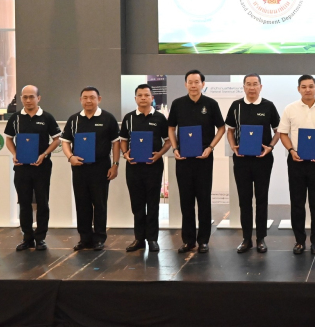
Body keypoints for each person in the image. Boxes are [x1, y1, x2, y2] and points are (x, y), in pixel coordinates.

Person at [167, 70, 226, 254]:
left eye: (197, 82)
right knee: (186, 201)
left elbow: (221, 128)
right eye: (190, 82)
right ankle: (188, 240)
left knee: (204, 200)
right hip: (183, 159)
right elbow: (171, 128)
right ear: (185, 84)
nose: (193, 85)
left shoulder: (211, 104)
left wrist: (210, 147)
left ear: (203, 84)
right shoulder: (177, 104)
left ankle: (203, 241)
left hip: (204, 159)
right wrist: (175, 149)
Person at [278, 75, 315, 255]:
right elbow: (283, 133)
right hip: (296, 160)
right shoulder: (290, 109)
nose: (307, 90)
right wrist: (291, 150)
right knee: (297, 202)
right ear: (299, 89)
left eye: (311, 86)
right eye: (304, 87)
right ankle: (299, 241)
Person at [225, 74, 280, 254]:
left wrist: (270, 147)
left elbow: (279, 131)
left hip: (263, 160)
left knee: (262, 198)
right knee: (244, 199)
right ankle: (246, 238)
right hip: (241, 160)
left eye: (255, 84)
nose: (251, 87)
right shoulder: (236, 106)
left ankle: (261, 238)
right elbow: (230, 131)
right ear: (244, 87)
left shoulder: (268, 106)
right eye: (248, 84)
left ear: (260, 87)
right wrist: (233, 146)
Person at [61, 87, 120, 251]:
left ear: (99, 99)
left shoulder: (108, 118)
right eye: (85, 97)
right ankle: (84, 238)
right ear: (80, 100)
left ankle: (99, 238)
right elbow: (65, 141)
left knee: (99, 204)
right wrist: (70, 157)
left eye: (92, 97)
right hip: (79, 168)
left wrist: (115, 164)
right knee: (82, 203)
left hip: (101, 167)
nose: (88, 101)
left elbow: (116, 143)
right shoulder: (74, 120)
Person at [4, 85, 61, 251]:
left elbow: (57, 139)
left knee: (43, 202)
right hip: (22, 167)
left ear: (38, 98)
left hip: (42, 167)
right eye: (25, 97)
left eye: (31, 97)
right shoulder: (15, 118)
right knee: (24, 203)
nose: (28, 100)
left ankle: (40, 238)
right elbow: (8, 139)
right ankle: (27, 238)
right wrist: (14, 154)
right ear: (21, 99)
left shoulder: (47, 117)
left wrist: (44, 154)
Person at [119, 84, 171, 253]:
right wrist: (125, 154)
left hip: (153, 167)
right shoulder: (129, 118)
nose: (143, 98)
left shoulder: (160, 118)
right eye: (140, 95)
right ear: (135, 98)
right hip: (133, 167)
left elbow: (168, 141)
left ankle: (153, 239)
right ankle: (139, 239)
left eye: (146, 95)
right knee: (137, 204)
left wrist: (159, 154)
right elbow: (123, 140)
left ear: (152, 98)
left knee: (153, 203)